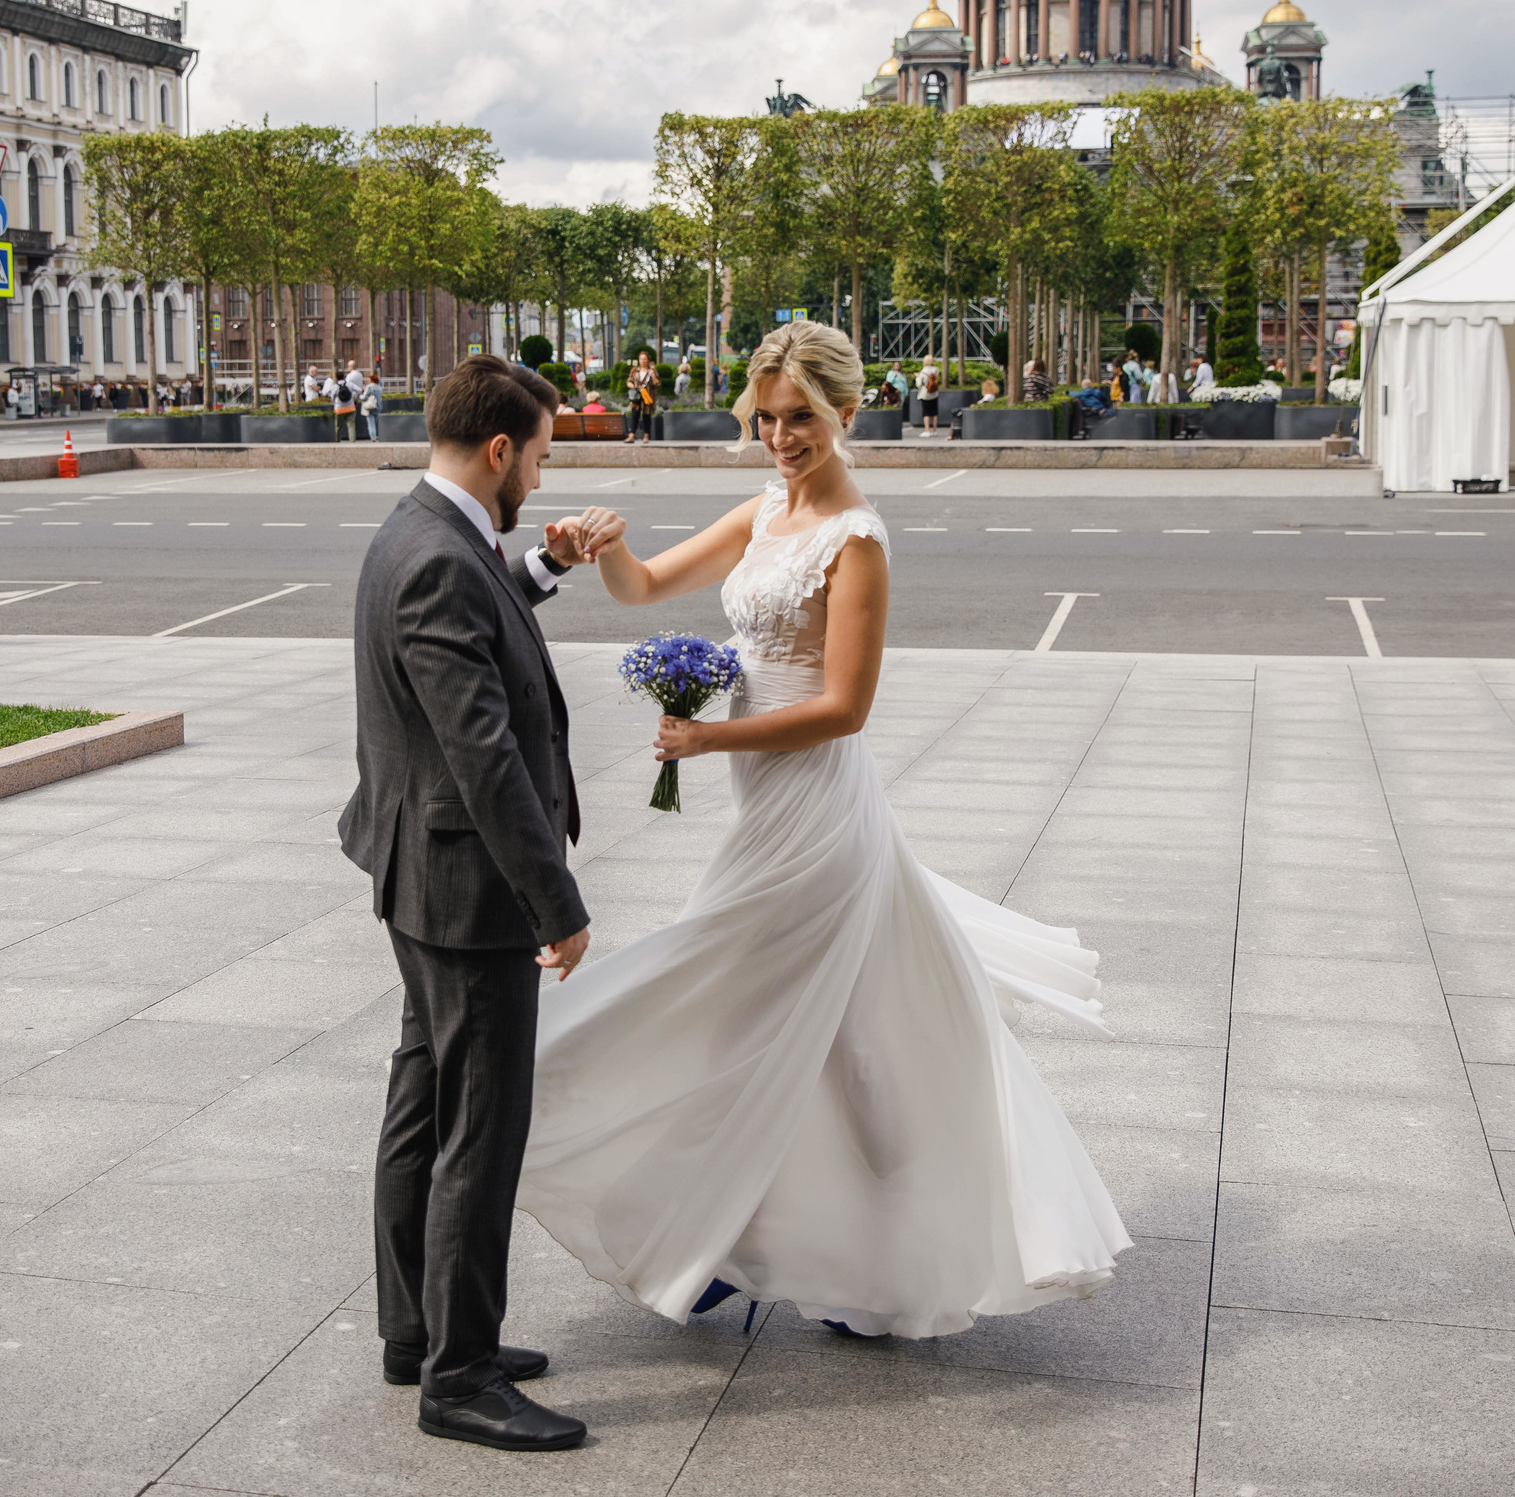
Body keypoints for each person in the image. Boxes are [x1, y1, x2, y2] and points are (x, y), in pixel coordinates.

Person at [516, 319, 1129, 1348]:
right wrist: (605, 551)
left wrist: (713, 743)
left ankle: (741, 1239)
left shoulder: (856, 540)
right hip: (765, 800)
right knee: (824, 1040)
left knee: (726, 1003)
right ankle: (779, 1239)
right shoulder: (763, 509)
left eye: (801, 417)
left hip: (817, 814)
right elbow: (650, 588)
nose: (782, 437)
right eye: (766, 418)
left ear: (846, 412)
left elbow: (846, 707)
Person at [339, 355, 600, 1454]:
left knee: (424, 1104)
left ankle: (417, 1333)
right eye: (539, 457)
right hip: (472, 889)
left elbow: (481, 629)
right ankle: (460, 1376)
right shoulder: (440, 560)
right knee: (478, 1134)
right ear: (499, 450)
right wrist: (557, 903)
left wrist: (541, 565)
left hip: (417, 872)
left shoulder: (423, 531)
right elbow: (484, 752)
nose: (539, 477)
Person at [627, 356, 658, 443]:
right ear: (639, 360)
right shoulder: (635, 370)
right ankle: (631, 435)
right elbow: (629, 381)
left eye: (645, 359)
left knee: (646, 416)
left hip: (647, 396)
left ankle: (646, 436)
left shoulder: (651, 371)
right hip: (636, 396)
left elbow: (657, 384)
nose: (643, 361)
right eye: (641, 359)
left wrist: (653, 375)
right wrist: (633, 386)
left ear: (648, 360)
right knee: (634, 415)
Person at [915, 360, 942, 435]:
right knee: (934, 413)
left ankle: (927, 431)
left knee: (926, 413)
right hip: (934, 393)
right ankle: (934, 431)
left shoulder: (923, 371)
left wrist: (917, 377)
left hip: (925, 394)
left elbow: (919, 384)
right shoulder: (936, 369)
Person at [331, 368, 359, 440]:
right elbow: (359, 390)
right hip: (350, 407)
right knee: (351, 426)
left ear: (336, 378)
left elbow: (332, 396)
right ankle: (352, 441)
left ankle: (337, 441)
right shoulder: (349, 384)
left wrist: (335, 403)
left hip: (339, 409)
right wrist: (355, 398)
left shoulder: (335, 386)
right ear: (344, 377)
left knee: (338, 426)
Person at [361, 368, 383, 441]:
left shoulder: (369, 387)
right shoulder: (379, 387)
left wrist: (360, 396)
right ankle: (377, 435)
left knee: (371, 423)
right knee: (376, 422)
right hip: (378, 406)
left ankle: (373, 437)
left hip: (370, 407)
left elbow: (364, 397)